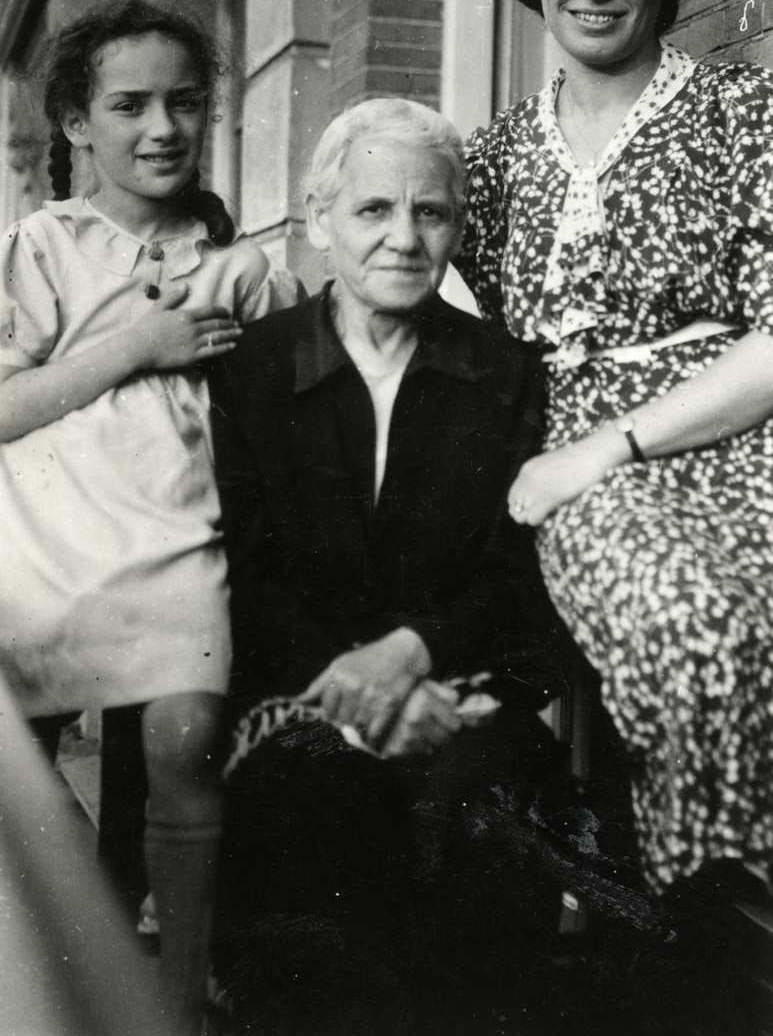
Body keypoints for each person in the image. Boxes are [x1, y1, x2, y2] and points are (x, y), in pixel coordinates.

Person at [209, 98, 564, 1035]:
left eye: (431, 212)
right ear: (319, 220)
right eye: (373, 210)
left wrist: (412, 658)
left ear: (457, 227)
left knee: (491, 819)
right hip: (298, 700)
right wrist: (363, 693)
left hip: (465, 696)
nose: (403, 239)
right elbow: (247, 571)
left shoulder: (508, 372)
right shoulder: (252, 367)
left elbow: (517, 574)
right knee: (313, 812)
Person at [459, 0, 773, 897]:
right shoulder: (493, 159)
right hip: (562, 456)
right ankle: (710, 909)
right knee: (694, 623)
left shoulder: (741, 117)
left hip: (728, 426)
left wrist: (620, 439)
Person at [0, 0, 297, 1035]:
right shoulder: (41, 247)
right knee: (17, 782)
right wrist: (132, 348)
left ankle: (170, 1008)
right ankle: (36, 992)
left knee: (179, 740)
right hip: (43, 540)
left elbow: (291, 418)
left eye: (183, 102)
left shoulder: (243, 267)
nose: (161, 127)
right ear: (79, 124)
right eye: (129, 105)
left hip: (177, 536)